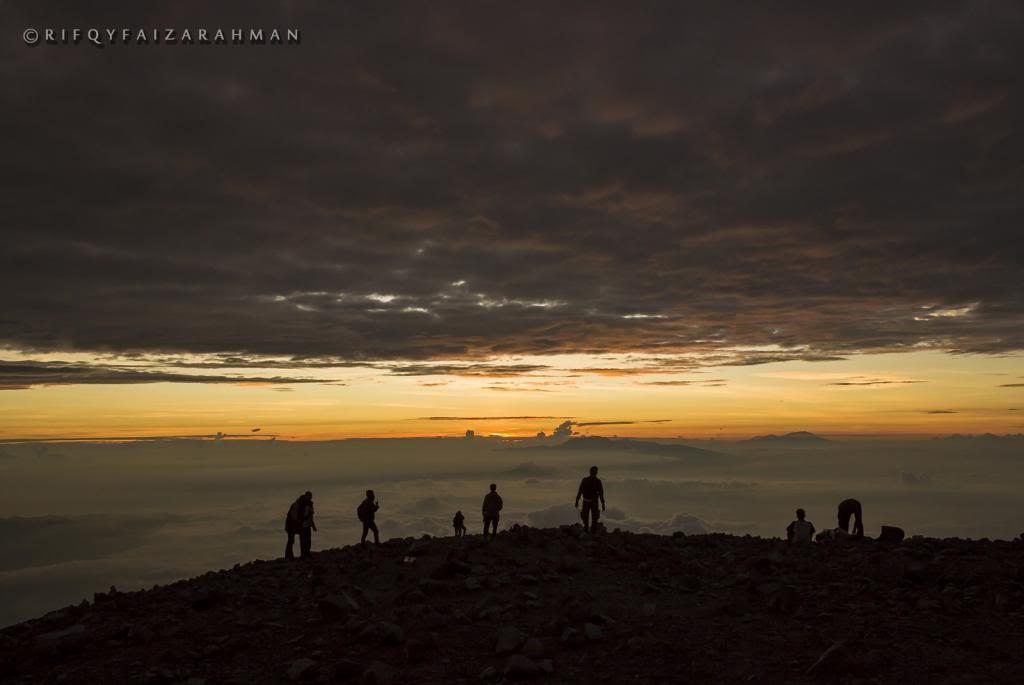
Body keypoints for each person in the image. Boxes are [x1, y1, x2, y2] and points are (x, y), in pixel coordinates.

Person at [575, 465, 605, 533]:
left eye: (595, 472)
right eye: (593, 472)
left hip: (593, 502)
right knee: (585, 518)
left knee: (594, 518)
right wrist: (577, 500)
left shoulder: (597, 481)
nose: (594, 473)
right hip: (587, 501)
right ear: (591, 472)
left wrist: (603, 503)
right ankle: (587, 530)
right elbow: (580, 491)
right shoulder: (587, 480)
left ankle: (592, 531)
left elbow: (601, 493)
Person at [284, 492, 308, 560]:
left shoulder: (298, 505)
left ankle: (290, 555)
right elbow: (294, 517)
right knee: (291, 541)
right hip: (291, 526)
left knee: (291, 540)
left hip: (293, 526)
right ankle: (288, 556)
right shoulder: (296, 505)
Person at [297, 491, 317, 559]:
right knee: (304, 540)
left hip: (307, 524)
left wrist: (313, 525)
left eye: (310, 496)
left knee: (307, 540)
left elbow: (311, 516)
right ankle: (304, 555)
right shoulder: (303, 504)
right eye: (309, 496)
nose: (310, 498)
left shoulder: (309, 504)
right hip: (303, 525)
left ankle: (306, 554)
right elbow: (304, 516)